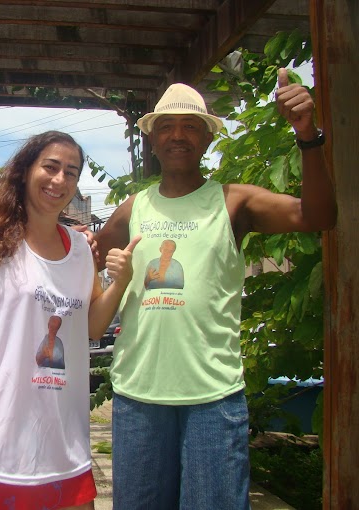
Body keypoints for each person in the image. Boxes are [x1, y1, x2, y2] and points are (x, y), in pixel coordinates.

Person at [95, 75, 336, 509]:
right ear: (151, 139)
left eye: (191, 126)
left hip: (212, 399)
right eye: (167, 126)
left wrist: (306, 135)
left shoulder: (233, 202)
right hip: (139, 398)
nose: (178, 135)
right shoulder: (133, 208)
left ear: (208, 138)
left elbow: (317, 214)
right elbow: (82, 259)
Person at [0, 131, 138, 510]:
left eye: (72, 172)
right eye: (50, 167)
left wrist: (121, 282)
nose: (60, 180)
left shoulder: (82, 249)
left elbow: (92, 327)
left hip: (61, 440)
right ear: (25, 170)